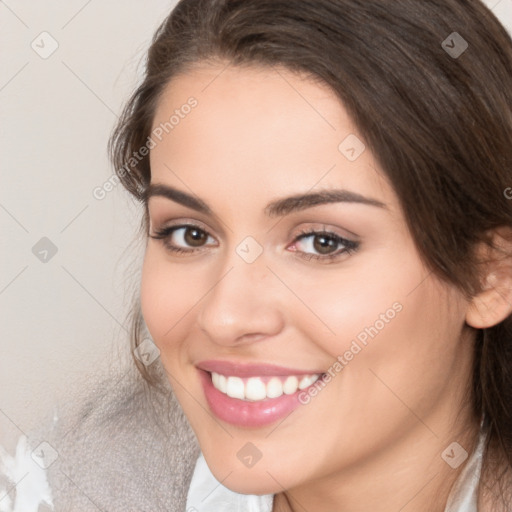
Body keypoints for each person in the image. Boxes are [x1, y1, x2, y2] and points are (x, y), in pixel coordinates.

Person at [9, 0, 512, 510]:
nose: (225, 317)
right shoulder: (80, 487)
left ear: (490, 274)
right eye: (190, 234)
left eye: (322, 242)